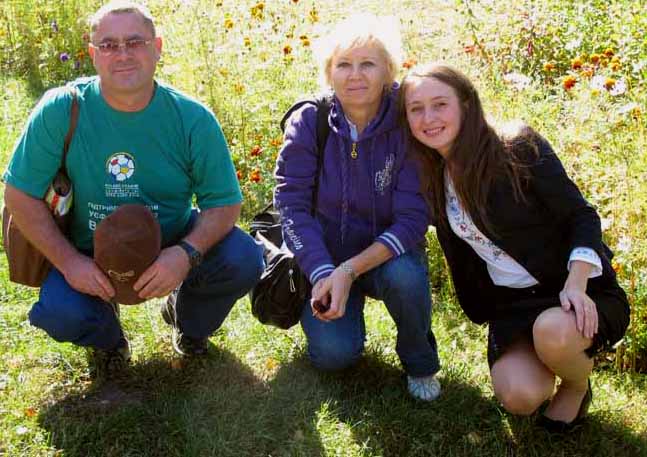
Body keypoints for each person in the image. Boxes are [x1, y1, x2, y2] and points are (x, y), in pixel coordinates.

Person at [2, 1, 263, 375]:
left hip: (170, 242)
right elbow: (19, 194)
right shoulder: (62, 109)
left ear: (156, 48)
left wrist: (184, 254)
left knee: (242, 258)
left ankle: (188, 323)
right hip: (87, 250)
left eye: (134, 42)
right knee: (59, 312)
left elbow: (223, 203)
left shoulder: (191, 119)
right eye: (108, 45)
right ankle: (109, 340)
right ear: (93, 55)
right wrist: (70, 262)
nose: (122, 54)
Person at [401, 62, 630, 429]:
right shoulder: (430, 177)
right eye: (416, 108)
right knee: (520, 397)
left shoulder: (517, 147)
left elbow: (581, 215)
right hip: (514, 305)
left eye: (440, 104)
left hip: (574, 290)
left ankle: (576, 384)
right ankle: (549, 359)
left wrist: (577, 282)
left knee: (553, 333)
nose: (429, 117)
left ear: (466, 104)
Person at [274, 14, 441, 401]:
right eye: (343, 65)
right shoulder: (310, 120)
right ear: (329, 73)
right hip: (325, 258)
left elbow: (414, 218)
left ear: (389, 71)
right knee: (332, 356)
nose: (355, 75)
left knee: (405, 277)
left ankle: (419, 361)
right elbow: (291, 204)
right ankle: (334, 315)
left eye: (368, 64)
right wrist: (323, 270)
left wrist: (352, 271)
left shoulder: (407, 120)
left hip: (388, 254)